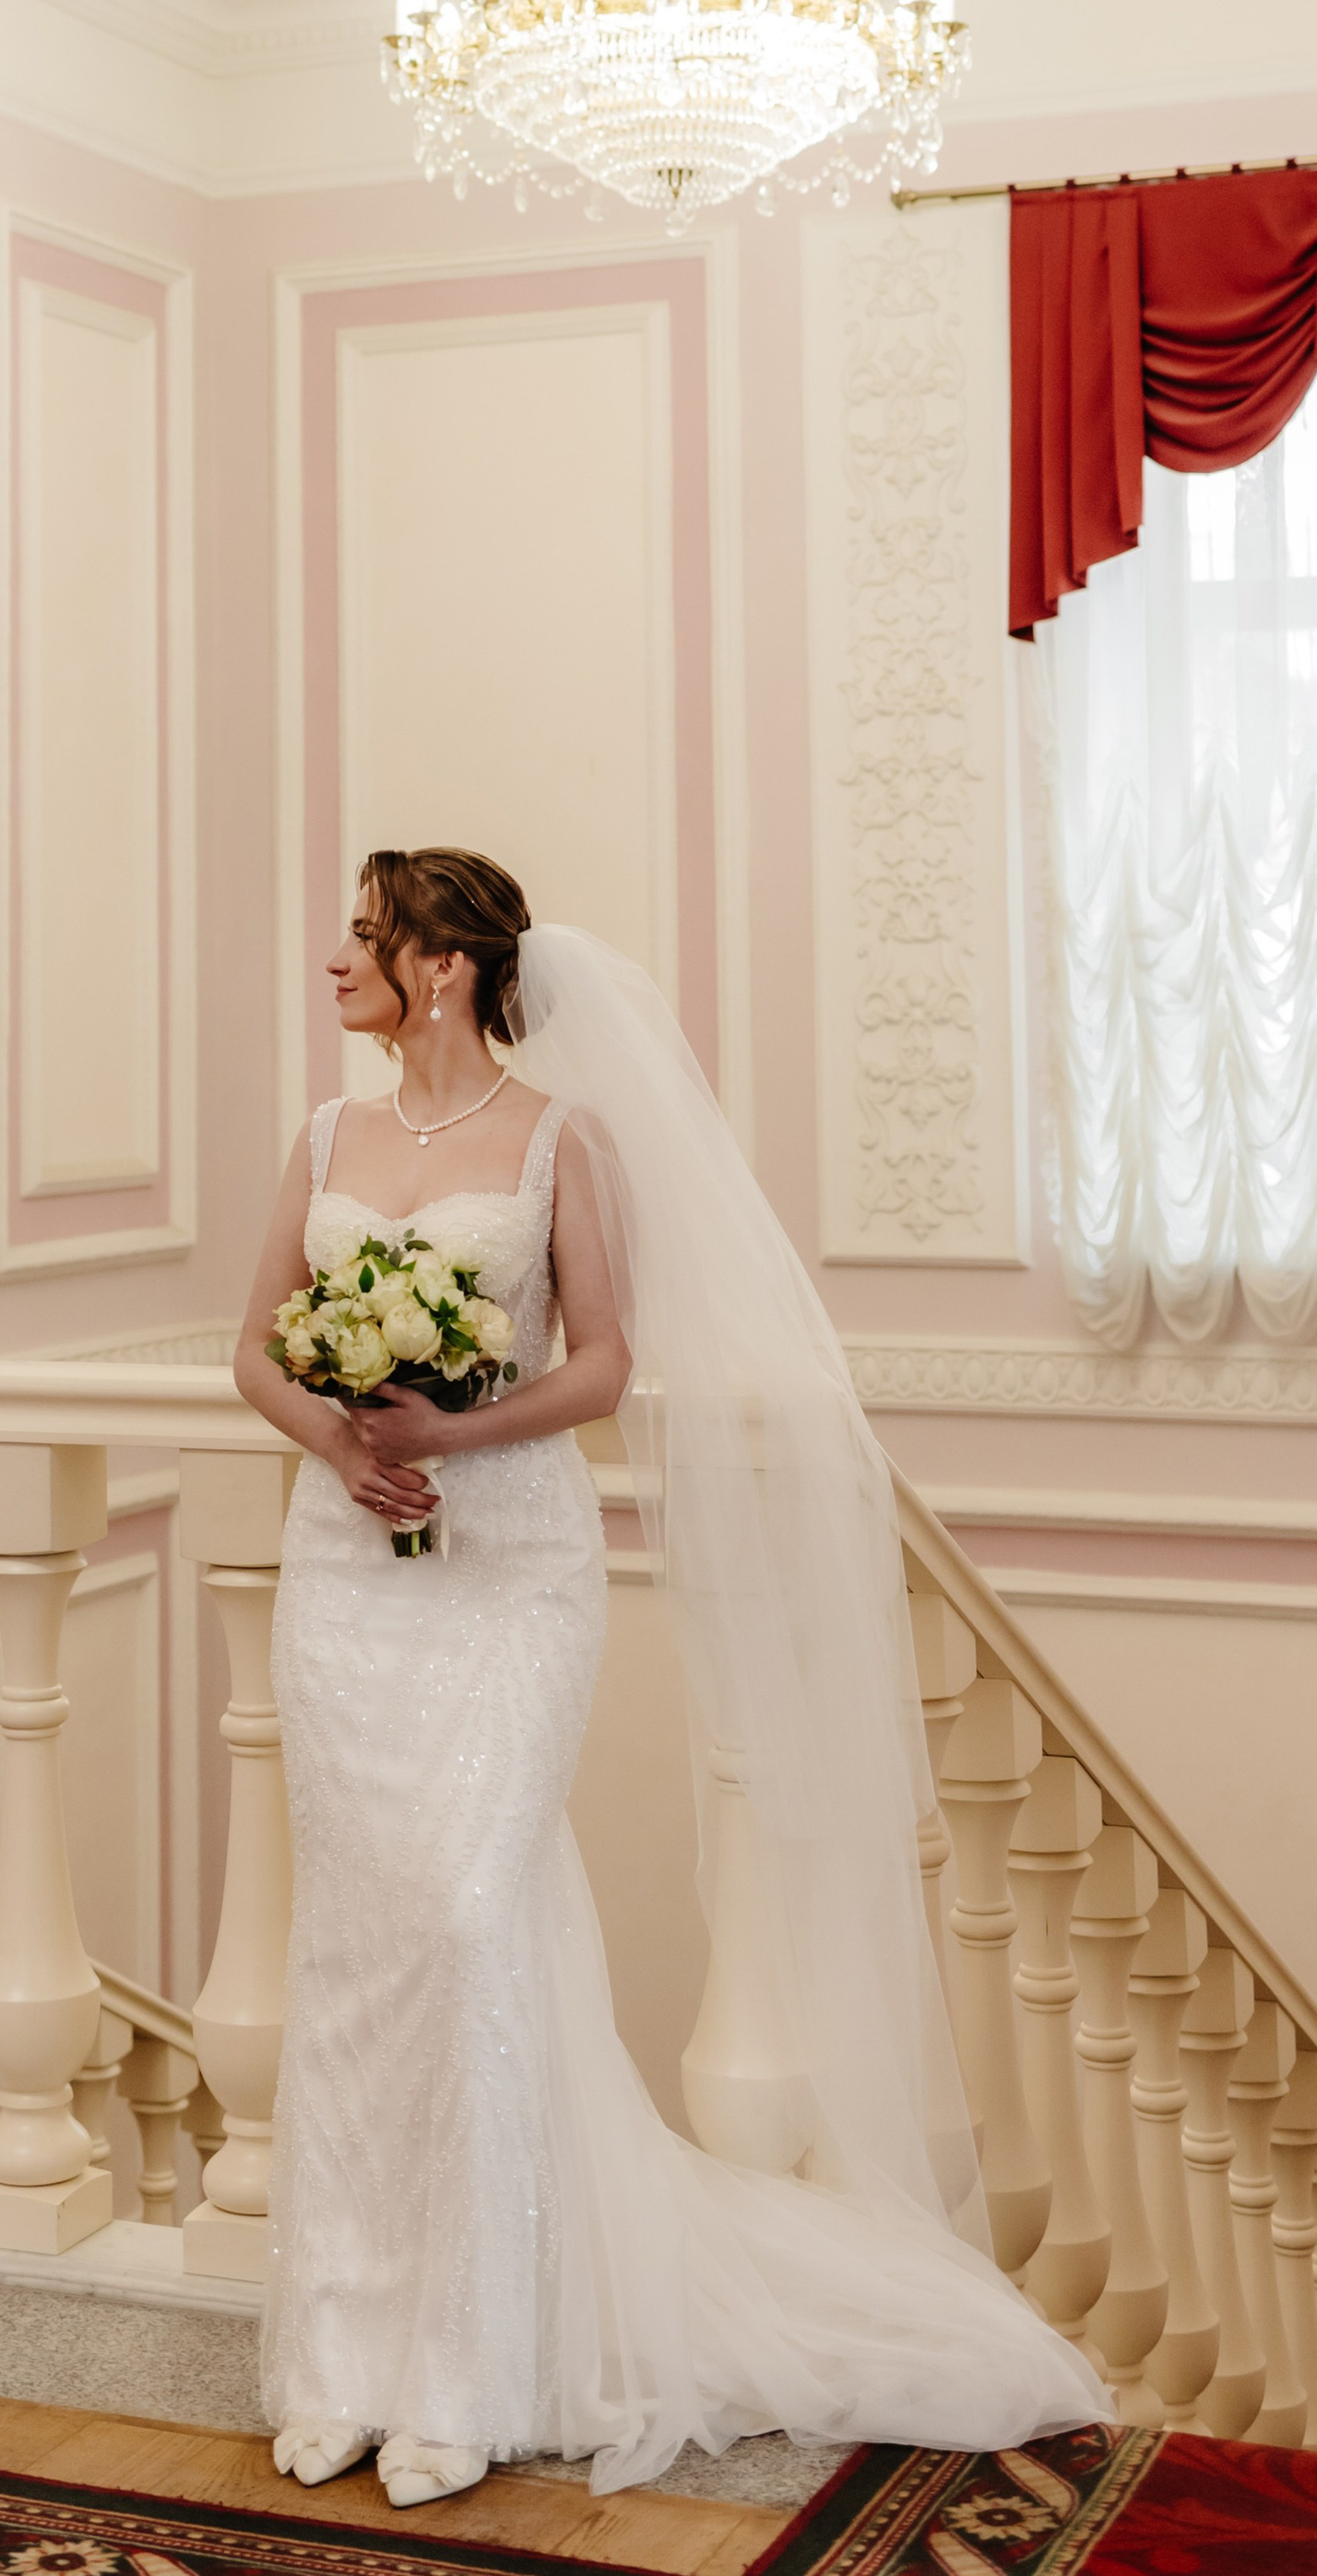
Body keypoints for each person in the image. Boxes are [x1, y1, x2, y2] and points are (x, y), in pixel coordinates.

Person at [232, 849, 1106, 2509]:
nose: (333, 960)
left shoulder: (567, 1139)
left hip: (510, 1572)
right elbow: (252, 1344)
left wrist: (457, 1433)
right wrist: (340, 1439)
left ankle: (467, 2363)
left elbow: (611, 1359)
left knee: (471, 1917)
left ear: (438, 967)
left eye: (363, 935)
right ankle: (343, 2347)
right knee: (356, 1943)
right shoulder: (324, 1141)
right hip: (348, 1574)